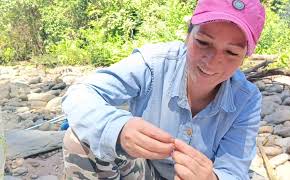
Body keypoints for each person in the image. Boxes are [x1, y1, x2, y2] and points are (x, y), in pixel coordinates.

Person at [61, 0, 266, 179]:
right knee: (78, 138)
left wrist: (211, 178)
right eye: (203, 43)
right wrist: (118, 129)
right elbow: (81, 93)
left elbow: (235, 170)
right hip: (142, 172)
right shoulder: (153, 64)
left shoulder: (247, 100)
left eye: (231, 52)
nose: (212, 62)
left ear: (244, 58)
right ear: (188, 35)